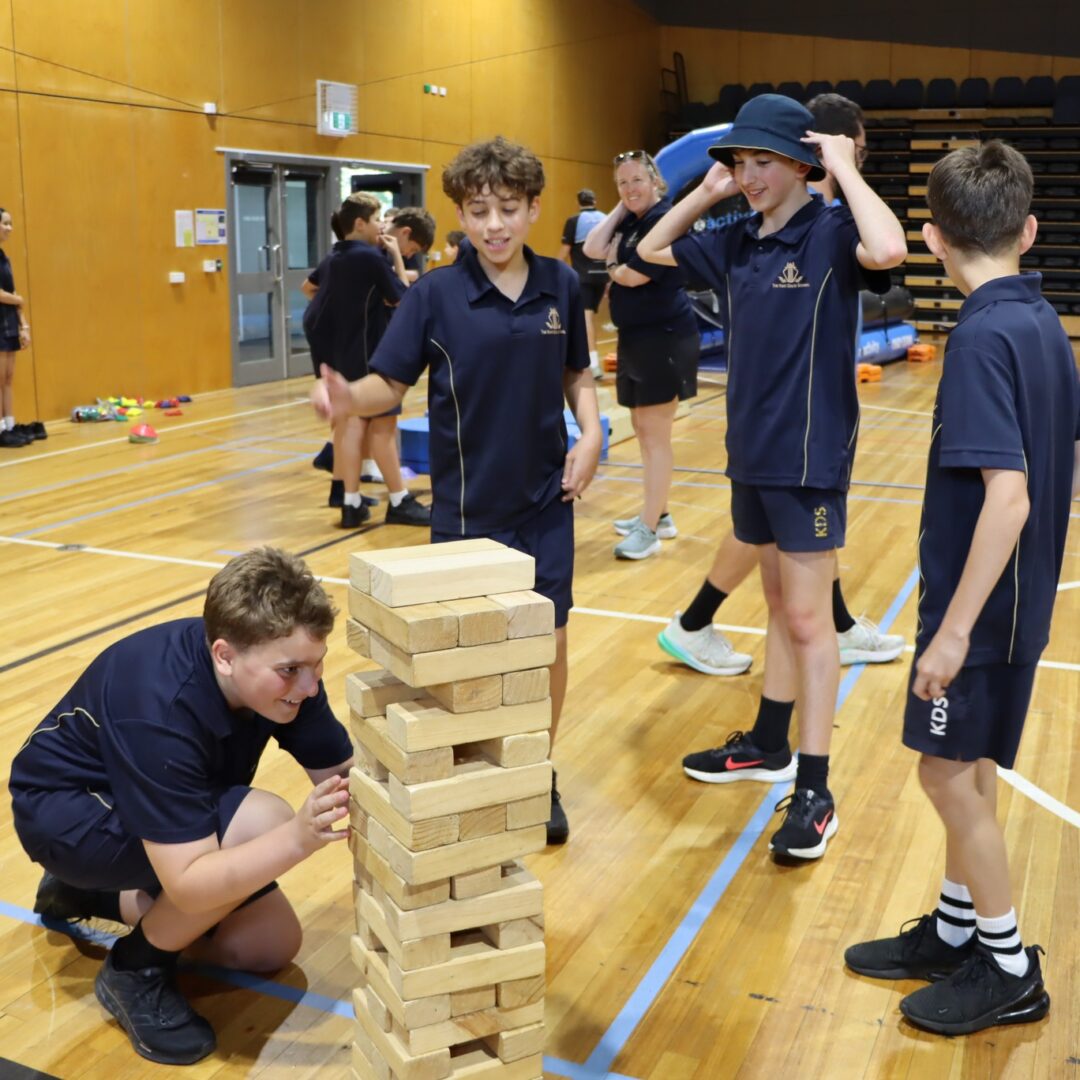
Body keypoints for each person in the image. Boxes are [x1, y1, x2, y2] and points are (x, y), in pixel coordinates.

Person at [844, 142, 1080, 1035]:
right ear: (1026, 230)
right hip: (1018, 605)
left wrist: (950, 636)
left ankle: (1010, 966)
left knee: (943, 774)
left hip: (980, 614)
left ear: (932, 239)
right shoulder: (1044, 323)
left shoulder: (980, 338)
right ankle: (953, 931)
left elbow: (1009, 498)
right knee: (969, 764)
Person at [312, 135, 603, 846]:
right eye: (478, 211)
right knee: (467, 654)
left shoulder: (561, 284)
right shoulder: (436, 295)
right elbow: (391, 383)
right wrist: (347, 396)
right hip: (467, 517)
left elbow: (577, 374)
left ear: (535, 208)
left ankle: (537, 769)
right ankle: (477, 766)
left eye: (508, 208)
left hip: (544, 505)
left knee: (548, 644)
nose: (494, 224)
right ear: (461, 217)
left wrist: (592, 435)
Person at [637, 94, 906, 860]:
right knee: (778, 606)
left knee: (808, 622)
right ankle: (766, 741)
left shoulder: (831, 234)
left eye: (761, 162)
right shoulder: (737, 240)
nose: (747, 176)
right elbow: (652, 250)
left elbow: (888, 251)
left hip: (809, 459)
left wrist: (844, 169)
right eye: (739, 162)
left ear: (800, 163)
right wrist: (708, 190)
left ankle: (815, 790)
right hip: (750, 453)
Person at [8, 548, 353, 1065]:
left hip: (161, 807)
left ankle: (93, 898)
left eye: (317, 665)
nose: (309, 685)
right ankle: (134, 968)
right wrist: (298, 838)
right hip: (69, 816)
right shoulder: (160, 706)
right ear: (224, 655)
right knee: (266, 823)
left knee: (267, 945)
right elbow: (191, 884)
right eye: (291, 671)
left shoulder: (286, 675)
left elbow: (347, 780)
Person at [583, 151, 700, 560]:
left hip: (664, 338)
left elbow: (633, 274)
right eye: (621, 183)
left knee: (654, 436)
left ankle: (649, 530)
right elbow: (593, 247)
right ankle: (660, 515)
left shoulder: (664, 219)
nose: (630, 188)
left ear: (656, 181)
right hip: (636, 338)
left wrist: (616, 264)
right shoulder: (632, 218)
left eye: (637, 180)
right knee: (642, 427)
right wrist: (623, 205)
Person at [303, 194, 430, 529]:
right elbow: (403, 300)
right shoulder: (370, 257)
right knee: (383, 426)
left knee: (349, 423)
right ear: (360, 224)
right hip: (366, 350)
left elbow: (307, 287)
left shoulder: (335, 256)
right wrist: (395, 260)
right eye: (376, 220)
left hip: (338, 348)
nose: (380, 227)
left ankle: (349, 501)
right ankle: (400, 501)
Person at [0, 207, 41, 448]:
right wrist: (18, 300)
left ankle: (10, 425)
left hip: (9, 323)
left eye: (11, 224)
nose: (9, 228)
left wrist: (24, 324)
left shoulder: (5, 258)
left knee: (7, 378)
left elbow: (13, 292)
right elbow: (11, 296)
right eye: (5, 223)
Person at [559, 189, 608, 379]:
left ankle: (593, 365)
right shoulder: (606, 218)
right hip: (603, 276)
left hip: (584, 278)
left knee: (586, 319)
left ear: (578, 203)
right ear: (594, 200)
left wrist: (554, 272)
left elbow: (564, 252)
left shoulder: (574, 221)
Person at [383, 206, 436, 283]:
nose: (409, 256)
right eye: (413, 249)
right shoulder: (374, 251)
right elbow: (403, 293)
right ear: (405, 232)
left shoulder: (396, 252)